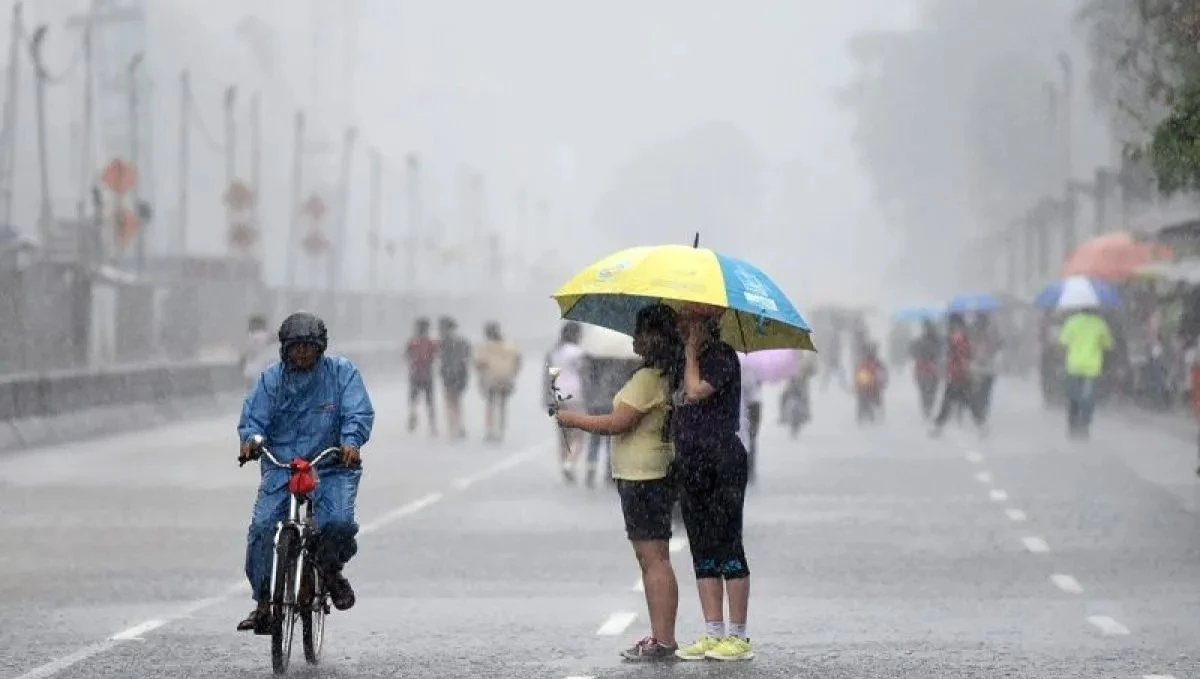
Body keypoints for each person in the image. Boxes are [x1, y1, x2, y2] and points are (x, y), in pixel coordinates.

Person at [553, 303, 682, 660]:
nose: (636, 339)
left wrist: (573, 420)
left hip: (644, 475)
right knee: (651, 557)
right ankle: (661, 636)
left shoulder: (649, 379)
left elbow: (617, 422)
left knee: (653, 558)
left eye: (641, 332)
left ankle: (664, 639)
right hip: (647, 473)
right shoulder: (660, 374)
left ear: (657, 337)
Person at [235, 311, 375, 633]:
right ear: (284, 348)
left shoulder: (342, 374)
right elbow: (253, 418)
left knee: (337, 523)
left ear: (320, 348)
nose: (302, 353)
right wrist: (250, 441)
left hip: (331, 465)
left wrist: (351, 442)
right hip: (282, 466)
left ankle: (330, 570)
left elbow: (358, 411)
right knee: (262, 528)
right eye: (296, 347)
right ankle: (263, 603)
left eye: (308, 347)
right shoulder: (272, 380)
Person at [671, 305, 754, 662]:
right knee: (702, 547)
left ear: (708, 325)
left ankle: (737, 636)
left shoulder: (721, 358)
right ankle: (712, 632)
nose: (684, 328)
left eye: (689, 323)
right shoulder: (684, 358)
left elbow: (693, 392)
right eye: (682, 323)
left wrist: (689, 354)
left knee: (727, 544)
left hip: (722, 459)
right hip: (691, 461)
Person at [1059, 306, 1113, 439]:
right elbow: (1108, 344)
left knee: (1073, 397)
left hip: (1074, 365)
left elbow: (1063, 341)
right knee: (1088, 399)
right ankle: (1084, 425)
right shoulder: (1100, 323)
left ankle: (1072, 425)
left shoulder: (1071, 321)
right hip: (1092, 367)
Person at [930, 313, 984, 437]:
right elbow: (968, 355)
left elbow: (961, 356)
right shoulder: (963, 336)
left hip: (957, 375)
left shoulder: (957, 337)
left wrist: (962, 369)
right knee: (968, 402)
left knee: (948, 402)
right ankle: (981, 425)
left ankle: (938, 428)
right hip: (960, 374)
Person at [547, 322, 587, 481]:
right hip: (576, 396)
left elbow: (552, 374)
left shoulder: (556, 352)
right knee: (579, 434)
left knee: (563, 434)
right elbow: (585, 374)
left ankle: (564, 462)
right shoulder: (579, 353)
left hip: (558, 395)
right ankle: (570, 463)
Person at [475, 321, 522, 442]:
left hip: (491, 379)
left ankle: (490, 430)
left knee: (490, 405)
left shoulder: (485, 347)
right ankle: (500, 430)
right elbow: (517, 359)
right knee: (502, 405)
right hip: (505, 379)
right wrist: (512, 372)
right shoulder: (508, 345)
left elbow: (479, 364)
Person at [438, 316, 471, 440]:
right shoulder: (462, 342)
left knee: (450, 401)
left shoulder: (443, 343)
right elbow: (467, 356)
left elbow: (440, 358)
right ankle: (459, 425)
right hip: (460, 375)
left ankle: (453, 427)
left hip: (449, 375)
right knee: (456, 401)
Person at [405, 317, 438, 435]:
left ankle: (413, 416)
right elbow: (435, 356)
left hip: (415, 374)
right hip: (427, 375)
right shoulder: (431, 343)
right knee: (430, 401)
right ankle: (432, 425)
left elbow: (406, 356)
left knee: (414, 399)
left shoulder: (412, 342)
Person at [970, 312, 1003, 424]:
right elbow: (999, 344)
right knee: (985, 393)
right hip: (988, 368)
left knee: (977, 392)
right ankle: (982, 414)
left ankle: (979, 414)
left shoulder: (972, 331)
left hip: (976, 368)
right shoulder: (992, 331)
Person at [909, 319, 942, 420]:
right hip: (931, 369)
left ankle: (927, 408)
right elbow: (940, 353)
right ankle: (928, 408)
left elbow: (913, 353)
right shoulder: (936, 341)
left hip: (924, 370)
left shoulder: (920, 341)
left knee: (925, 391)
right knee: (930, 390)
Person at [853, 341, 888, 423]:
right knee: (863, 401)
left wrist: (882, 381)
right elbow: (857, 375)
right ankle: (864, 418)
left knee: (876, 401)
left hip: (873, 386)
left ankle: (876, 417)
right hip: (865, 386)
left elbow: (883, 373)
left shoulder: (877, 363)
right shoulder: (862, 363)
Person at [239, 314, 275, 390]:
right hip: (258, 373)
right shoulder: (259, 335)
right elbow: (273, 337)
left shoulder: (249, 337)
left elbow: (243, 358)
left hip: (249, 372)